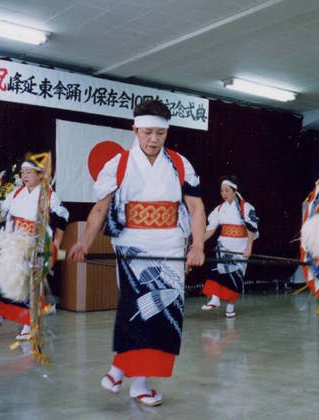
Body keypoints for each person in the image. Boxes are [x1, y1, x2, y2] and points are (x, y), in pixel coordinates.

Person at [68, 99, 205, 407]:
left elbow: (196, 208)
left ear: (167, 132)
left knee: (162, 313)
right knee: (140, 307)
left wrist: (197, 245)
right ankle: (135, 383)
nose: (153, 140)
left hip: (170, 245)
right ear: (135, 129)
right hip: (131, 246)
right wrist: (85, 242)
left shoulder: (181, 164)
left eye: (159, 133)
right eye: (146, 133)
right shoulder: (117, 164)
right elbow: (100, 208)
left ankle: (121, 372)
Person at [0, 160, 68, 341]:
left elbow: (62, 219)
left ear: (39, 175)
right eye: (22, 172)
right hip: (13, 241)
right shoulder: (16, 193)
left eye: (29, 172)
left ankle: (30, 324)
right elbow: (4, 219)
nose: (24, 176)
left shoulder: (49, 195)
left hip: (36, 244)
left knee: (28, 285)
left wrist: (56, 245)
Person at [201, 176, 258, 318]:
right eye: (222, 191)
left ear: (234, 191)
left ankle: (231, 307)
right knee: (216, 271)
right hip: (224, 244)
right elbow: (211, 229)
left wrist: (249, 247)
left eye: (227, 190)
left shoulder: (246, 207)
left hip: (240, 247)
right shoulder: (220, 209)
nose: (224, 194)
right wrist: (198, 243)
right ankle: (214, 299)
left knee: (235, 277)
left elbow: (251, 228)